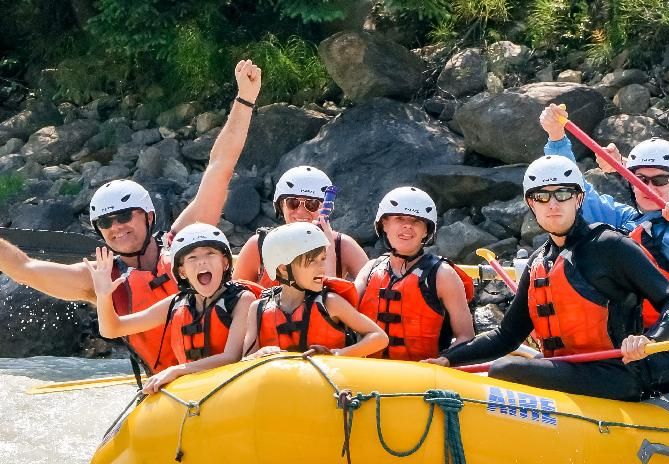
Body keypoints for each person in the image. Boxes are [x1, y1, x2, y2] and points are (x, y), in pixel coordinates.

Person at [0, 60, 261, 376]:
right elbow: (24, 269)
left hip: (227, 372)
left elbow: (219, 167)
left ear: (149, 217)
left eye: (124, 216)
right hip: (168, 386)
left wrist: (245, 100)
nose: (116, 227)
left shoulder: (186, 242)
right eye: (106, 223)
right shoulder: (99, 279)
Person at [426, 156, 669, 401]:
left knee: (506, 370)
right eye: (542, 196)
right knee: (510, 365)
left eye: (563, 194)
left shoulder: (610, 246)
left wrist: (650, 339)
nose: (553, 204)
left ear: (579, 199)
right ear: (531, 204)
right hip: (569, 370)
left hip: (618, 374)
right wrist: (449, 358)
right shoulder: (538, 261)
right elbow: (506, 335)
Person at [538, 103, 669, 332]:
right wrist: (557, 138)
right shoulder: (622, 220)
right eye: (641, 180)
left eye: (660, 180)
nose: (649, 188)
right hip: (624, 341)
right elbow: (574, 190)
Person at [85, 224, 258, 393]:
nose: (202, 262)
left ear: (225, 263)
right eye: (192, 257)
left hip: (231, 389)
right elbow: (112, 329)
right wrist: (103, 295)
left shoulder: (242, 300)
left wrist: (176, 370)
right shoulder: (177, 303)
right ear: (182, 272)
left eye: (210, 253)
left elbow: (231, 357)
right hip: (192, 392)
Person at [355, 187, 475, 361]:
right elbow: (340, 311)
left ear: (426, 230)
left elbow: (466, 336)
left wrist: (445, 360)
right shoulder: (371, 269)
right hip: (368, 369)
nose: (408, 225)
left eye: (416, 221)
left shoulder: (443, 275)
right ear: (384, 224)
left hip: (423, 372)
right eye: (399, 218)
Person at [243, 222, 388, 358]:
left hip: (331, 375)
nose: (322, 268)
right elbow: (245, 360)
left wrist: (337, 354)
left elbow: (379, 337)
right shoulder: (257, 309)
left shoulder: (330, 303)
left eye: (323, 259)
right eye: (312, 261)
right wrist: (259, 354)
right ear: (283, 269)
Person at [234, 165, 368, 286]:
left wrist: (329, 250)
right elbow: (234, 298)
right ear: (281, 206)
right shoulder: (258, 246)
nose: (301, 212)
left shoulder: (343, 246)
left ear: (325, 208)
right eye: (293, 203)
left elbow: (372, 291)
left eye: (312, 204)